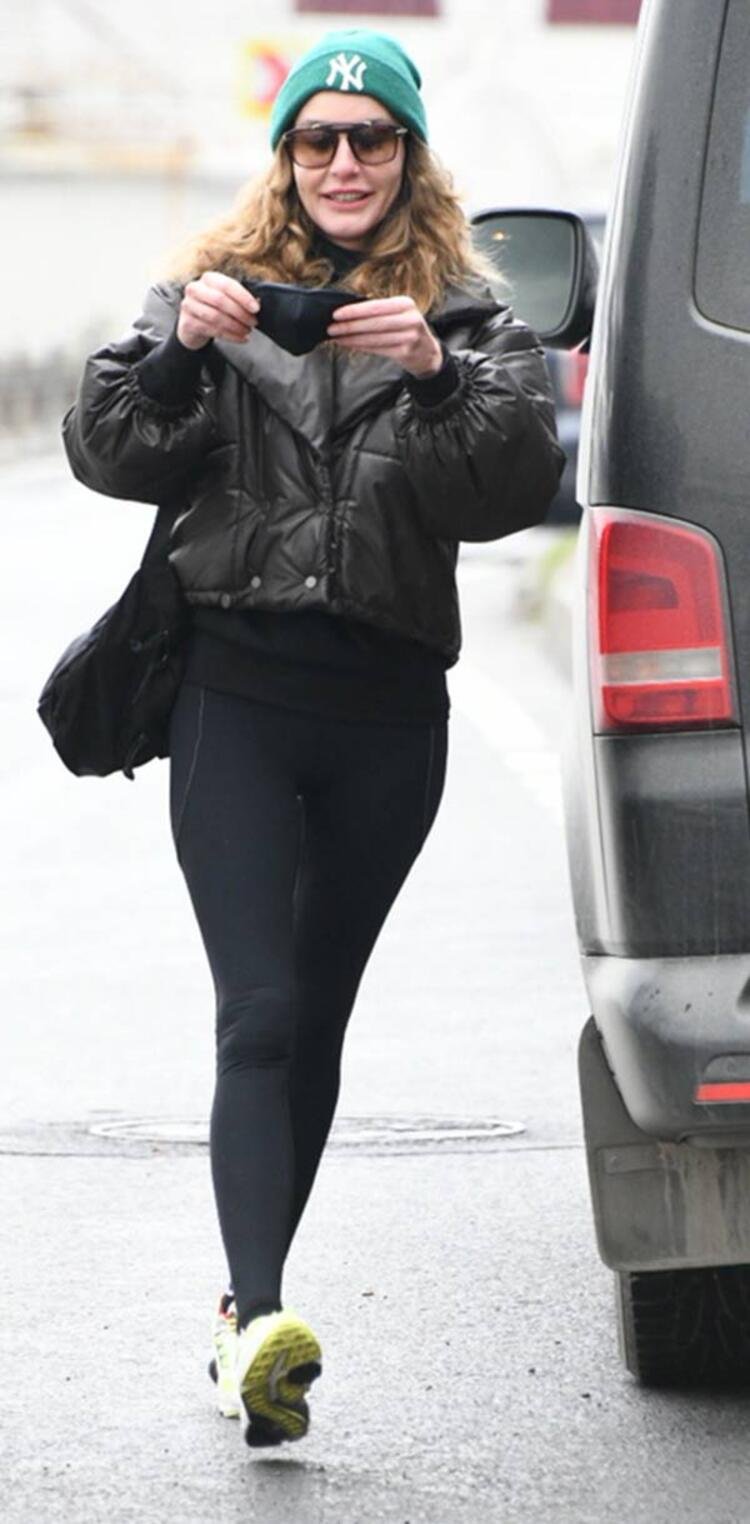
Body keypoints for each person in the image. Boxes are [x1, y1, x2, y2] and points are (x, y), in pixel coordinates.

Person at [62, 28, 564, 1449]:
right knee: (261, 1013)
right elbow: (106, 446)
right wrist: (182, 352)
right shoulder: (204, 287)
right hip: (235, 693)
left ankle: (245, 1314)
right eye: (318, 138)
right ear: (285, 156)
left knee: (319, 1016)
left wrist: (431, 371)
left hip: (386, 716)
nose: (345, 162)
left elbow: (511, 490)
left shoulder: (469, 316)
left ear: (409, 157)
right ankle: (259, 1321)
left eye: (372, 138)